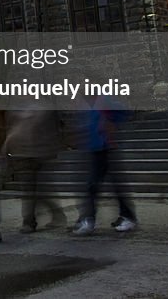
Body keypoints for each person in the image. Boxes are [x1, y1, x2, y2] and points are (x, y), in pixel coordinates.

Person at [71, 95, 137, 235]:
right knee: (109, 185)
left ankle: (89, 219)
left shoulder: (104, 100)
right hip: (94, 148)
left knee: (96, 185)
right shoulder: (83, 104)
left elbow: (123, 111)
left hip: (105, 146)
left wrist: (111, 120)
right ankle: (125, 216)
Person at [4, 108, 66, 234]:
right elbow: (13, 130)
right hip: (22, 153)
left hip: (39, 153)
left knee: (37, 190)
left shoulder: (44, 108)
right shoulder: (17, 109)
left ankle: (33, 221)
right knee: (30, 190)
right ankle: (30, 221)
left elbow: (53, 128)